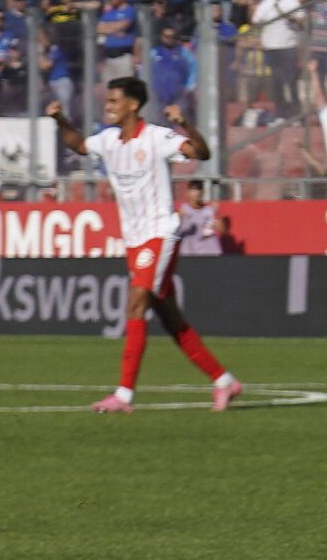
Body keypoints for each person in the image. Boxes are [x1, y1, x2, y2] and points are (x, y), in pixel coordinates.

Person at [46, 80, 241, 414]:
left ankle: (124, 395)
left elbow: (202, 153)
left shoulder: (156, 138)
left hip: (160, 233)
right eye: (107, 100)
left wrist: (183, 123)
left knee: (136, 301)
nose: (107, 106)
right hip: (134, 239)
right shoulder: (107, 140)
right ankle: (224, 381)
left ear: (133, 105)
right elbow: (78, 144)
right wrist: (61, 120)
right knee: (170, 318)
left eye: (114, 100)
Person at [177, 180, 228, 255]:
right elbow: (174, 229)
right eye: (193, 189)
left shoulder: (209, 210)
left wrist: (216, 215)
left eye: (199, 189)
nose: (196, 192)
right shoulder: (184, 210)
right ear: (188, 192)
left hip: (209, 253)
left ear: (202, 192)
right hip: (189, 252)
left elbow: (220, 229)